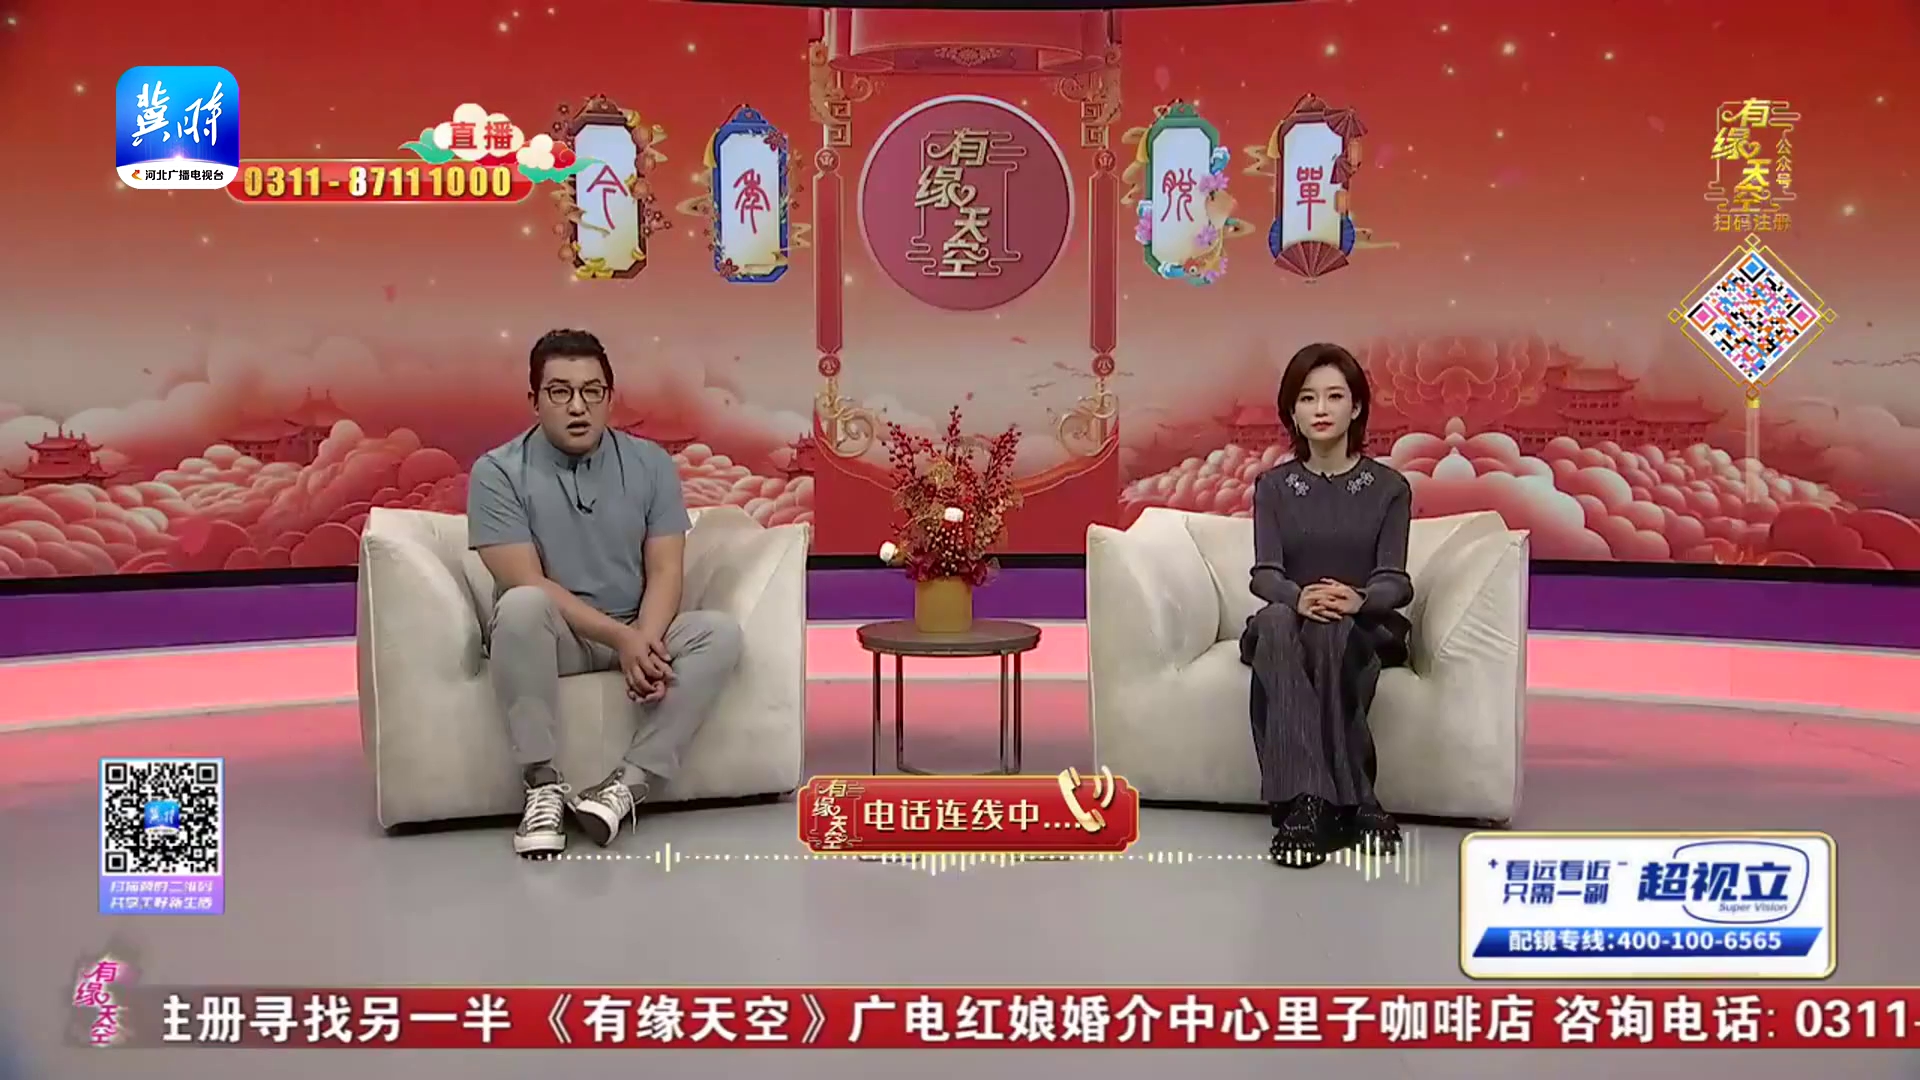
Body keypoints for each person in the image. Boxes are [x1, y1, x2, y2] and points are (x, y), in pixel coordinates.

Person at [468, 329, 742, 857]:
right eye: (560, 392)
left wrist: (645, 639)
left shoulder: (651, 464)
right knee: (521, 606)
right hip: (559, 638)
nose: (579, 407)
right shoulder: (497, 472)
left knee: (719, 634)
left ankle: (625, 786)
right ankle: (542, 784)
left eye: (592, 392)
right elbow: (527, 580)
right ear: (534, 400)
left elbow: (665, 568)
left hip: (637, 627)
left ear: (610, 398)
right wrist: (622, 639)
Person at [1241, 343, 1414, 868]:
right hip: (1286, 621)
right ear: (1292, 412)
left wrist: (1358, 599)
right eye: (1307, 398)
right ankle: (1341, 800)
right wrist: (1298, 597)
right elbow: (1265, 575)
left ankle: (1311, 804)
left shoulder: (1389, 488)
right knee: (1276, 621)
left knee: (1331, 627)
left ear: (1356, 407)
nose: (1320, 409)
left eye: (1334, 396)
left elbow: (1395, 581)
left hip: (1361, 627)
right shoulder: (1273, 487)